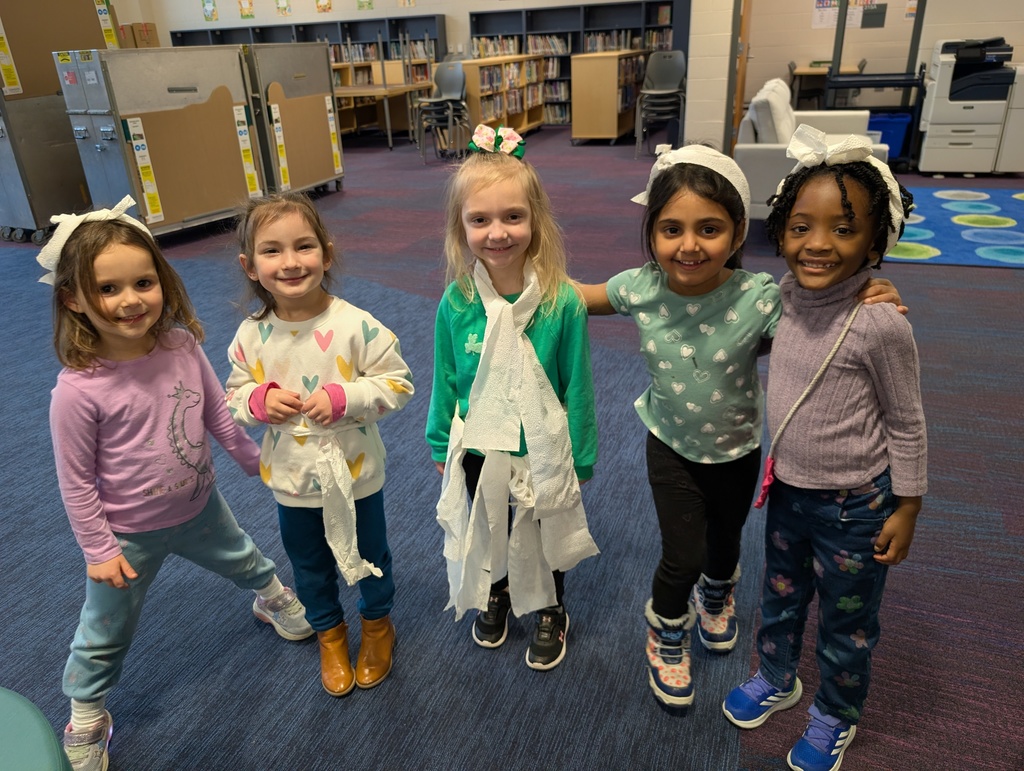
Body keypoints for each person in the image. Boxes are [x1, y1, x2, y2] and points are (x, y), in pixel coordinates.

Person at [575, 144, 905, 709]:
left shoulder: (760, 298)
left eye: (709, 228)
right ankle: (667, 632)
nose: (689, 245)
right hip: (671, 446)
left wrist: (877, 291)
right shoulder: (639, 286)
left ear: (737, 233)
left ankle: (718, 596)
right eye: (671, 229)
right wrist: (512, 275)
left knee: (725, 542)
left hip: (738, 447)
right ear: (651, 233)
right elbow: (578, 297)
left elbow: (820, 318)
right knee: (682, 554)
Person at [38, 196, 312, 771]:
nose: (131, 300)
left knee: (244, 558)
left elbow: (215, 410)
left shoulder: (180, 346)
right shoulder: (78, 391)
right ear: (72, 299)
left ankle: (272, 599)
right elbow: (75, 482)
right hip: (127, 536)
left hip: (199, 504)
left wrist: (251, 459)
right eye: (108, 289)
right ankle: (87, 711)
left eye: (143, 281)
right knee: (105, 628)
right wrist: (98, 549)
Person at [721, 126, 926, 771]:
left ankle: (836, 711)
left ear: (875, 240)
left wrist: (909, 505)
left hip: (855, 507)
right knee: (778, 596)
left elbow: (909, 422)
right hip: (787, 493)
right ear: (779, 230)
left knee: (847, 622)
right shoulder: (784, 298)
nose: (817, 244)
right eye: (801, 226)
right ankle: (778, 675)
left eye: (843, 229)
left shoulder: (879, 323)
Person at [226, 192, 413, 698]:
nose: (290, 262)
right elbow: (234, 398)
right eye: (272, 251)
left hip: (355, 474)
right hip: (291, 478)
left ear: (326, 254)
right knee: (308, 564)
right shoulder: (251, 335)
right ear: (249, 266)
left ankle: (377, 625)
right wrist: (260, 401)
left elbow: (398, 384)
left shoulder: (357, 325)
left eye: (304, 247)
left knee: (371, 554)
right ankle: (331, 635)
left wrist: (346, 396)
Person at [426, 124, 599, 671]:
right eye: (480, 220)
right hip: (480, 446)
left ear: (536, 222)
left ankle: (551, 608)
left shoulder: (560, 303)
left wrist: (583, 452)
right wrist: (439, 443)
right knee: (492, 526)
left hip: (543, 448)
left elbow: (579, 384)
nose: (497, 232)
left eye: (512, 217)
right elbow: (446, 379)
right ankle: (497, 592)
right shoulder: (455, 304)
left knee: (548, 526)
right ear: (461, 227)